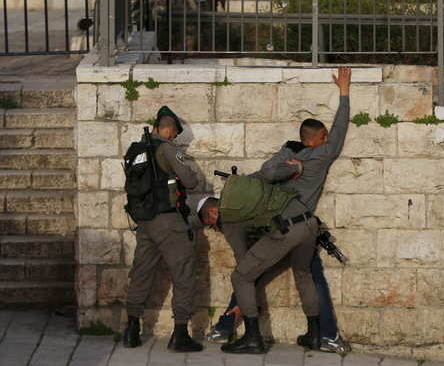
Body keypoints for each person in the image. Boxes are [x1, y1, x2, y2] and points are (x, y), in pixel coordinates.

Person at [199, 66, 352, 354]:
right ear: (316, 138)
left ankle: (251, 336)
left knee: (243, 274)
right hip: (308, 226)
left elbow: (264, 173)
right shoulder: (321, 155)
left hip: (284, 226)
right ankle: (317, 334)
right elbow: (341, 129)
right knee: (304, 273)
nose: (329, 137)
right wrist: (344, 93)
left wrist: (288, 165)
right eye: (324, 135)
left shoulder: (296, 153)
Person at [122, 106, 204, 353]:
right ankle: (180, 333)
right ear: (168, 129)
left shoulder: (136, 150)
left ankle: (131, 330)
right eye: (174, 134)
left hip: (144, 221)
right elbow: (191, 181)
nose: (174, 138)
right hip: (167, 222)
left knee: (142, 273)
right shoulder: (167, 149)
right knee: (185, 271)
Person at [206, 245, 351, 353]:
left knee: (246, 273)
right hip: (302, 230)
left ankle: (224, 327)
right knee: (312, 278)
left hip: (275, 234)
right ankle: (328, 336)